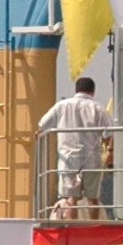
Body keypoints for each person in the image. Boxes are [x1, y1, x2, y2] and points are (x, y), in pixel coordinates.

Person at [38, 77, 114, 213]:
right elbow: (110, 133)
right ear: (93, 91)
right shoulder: (97, 108)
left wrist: (37, 134)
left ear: (76, 90)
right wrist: (110, 151)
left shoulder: (61, 106)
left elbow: (43, 124)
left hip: (69, 159)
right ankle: (94, 228)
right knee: (93, 199)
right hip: (92, 160)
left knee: (71, 199)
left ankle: (71, 227)